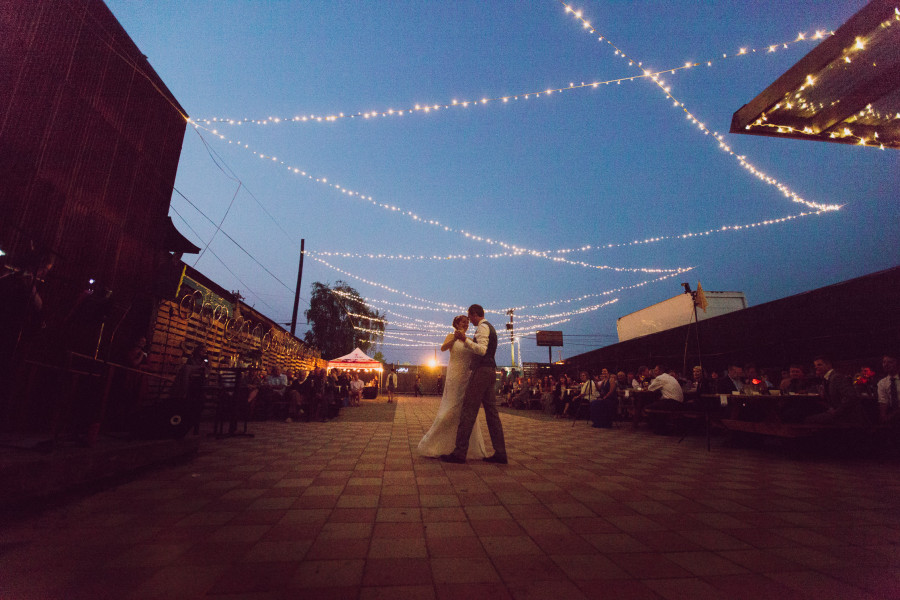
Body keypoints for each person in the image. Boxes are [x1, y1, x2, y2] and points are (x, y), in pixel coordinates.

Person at [440, 304, 507, 464]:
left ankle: (459, 452)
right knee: (492, 413)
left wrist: (465, 340)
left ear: (475, 314)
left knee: (468, 410)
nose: (469, 321)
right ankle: (500, 453)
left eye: (470, 317)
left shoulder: (483, 328)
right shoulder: (489, 327)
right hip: (490, 371)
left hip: (482, 372)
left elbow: (482, 350)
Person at [418, 315, 488, 459]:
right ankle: (434, 443)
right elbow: (443, 348)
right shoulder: (451, 336)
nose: (467, 324)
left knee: (465, 410)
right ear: (456, 324)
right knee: (449, 410)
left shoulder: (469, 339)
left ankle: (463, 447)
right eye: (464, 322)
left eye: (468, 322)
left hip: (466, 377)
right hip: (454, 376)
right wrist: (456, 338)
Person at [804, 356, 870, 426]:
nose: (816, 367)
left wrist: (836, 412)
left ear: (829, 365)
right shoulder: (827, 379)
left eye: (819, 365)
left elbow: (851, 397)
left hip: (847, 416)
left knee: (809, 420)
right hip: (840, 413)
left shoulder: (836, 377)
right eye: (815, 366)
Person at [877, 353, 900, 427]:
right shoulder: (882, 383)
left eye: (890, 362)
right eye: (884, 362)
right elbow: (883, 402)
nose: (886, 364)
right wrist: (883, 418)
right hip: (893, 418)